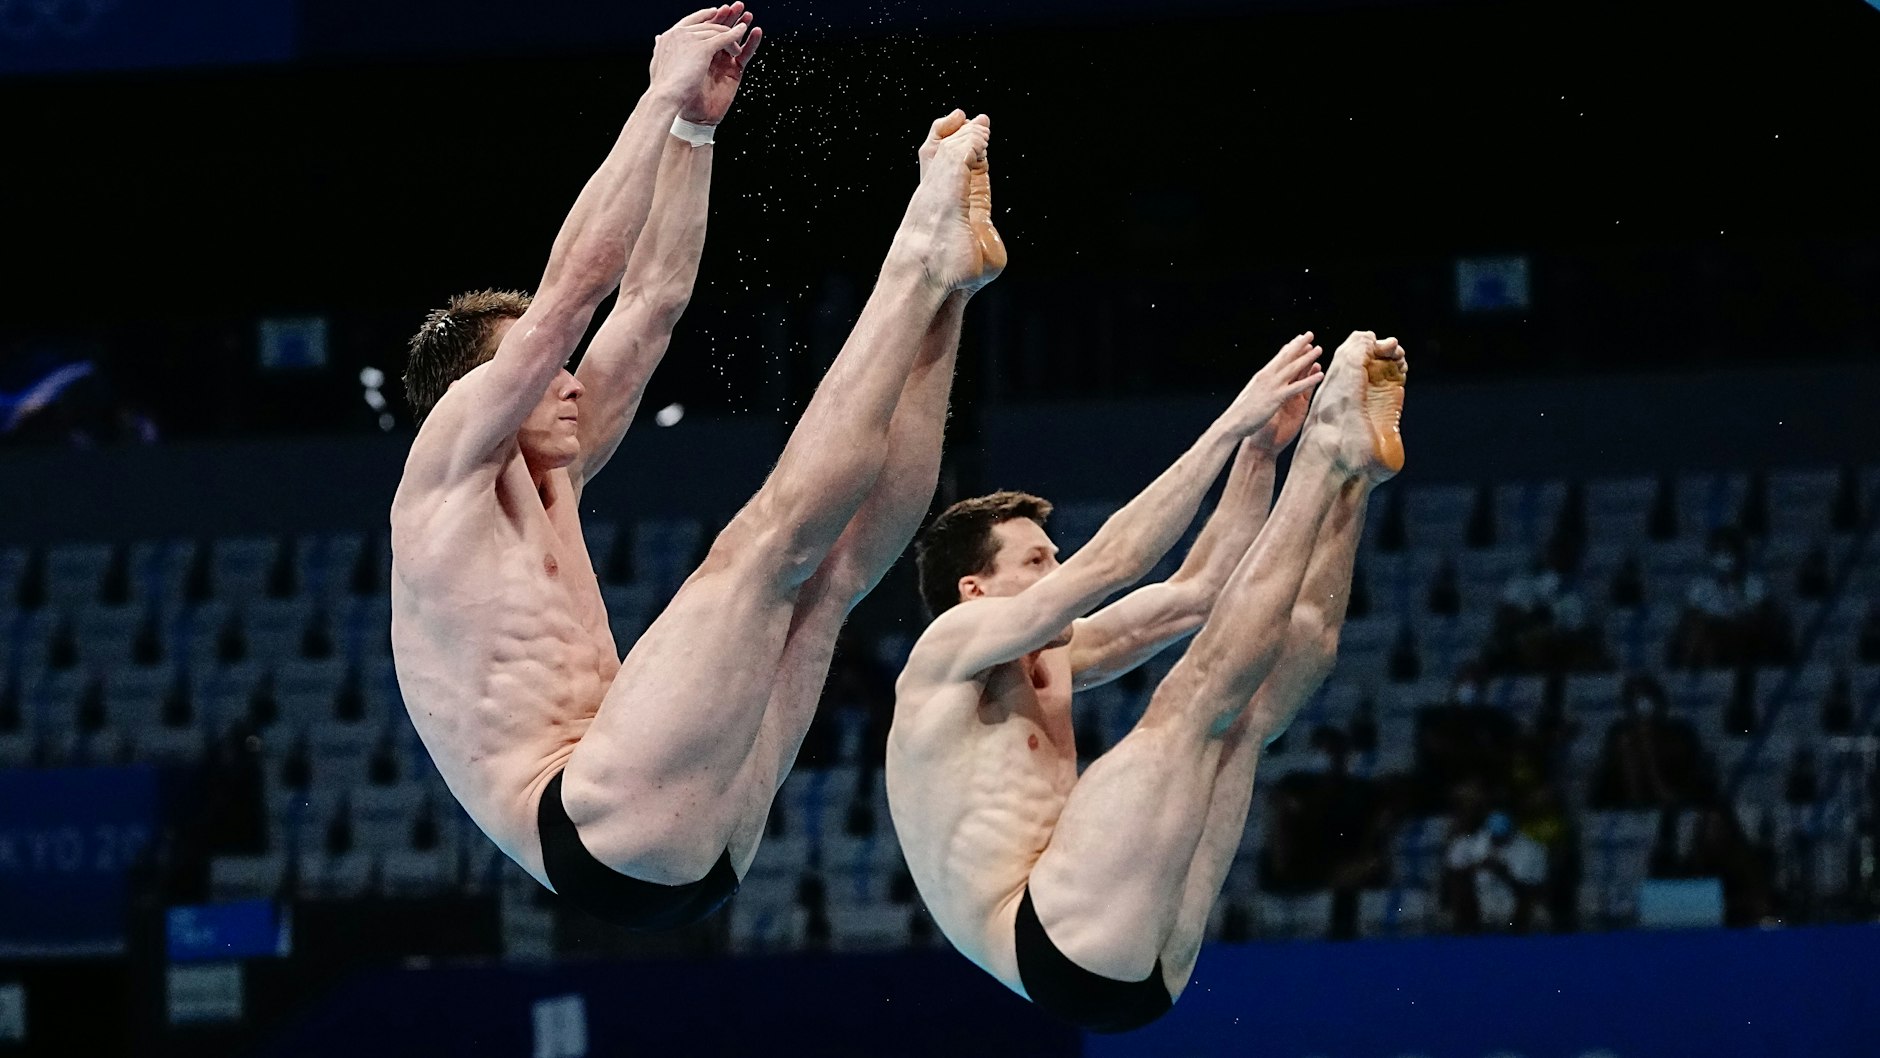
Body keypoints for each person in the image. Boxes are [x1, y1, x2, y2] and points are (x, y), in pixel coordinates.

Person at [391, 3, 1006, 929]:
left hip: (690, 827)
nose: (568, 379)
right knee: (759, 553)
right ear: (476, 392)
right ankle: (917, 258)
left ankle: (946, 296)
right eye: (540, 367)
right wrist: (653, 97)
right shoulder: (442, 475)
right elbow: (574, 295)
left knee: (827, 580)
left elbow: (651, 300)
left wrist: (692, 131)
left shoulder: (554, 469)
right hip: (590, 820)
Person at [887, 330, 1406, 1032]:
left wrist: (1258, 453)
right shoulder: (944, 650)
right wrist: (1230, 424)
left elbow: (1200, 589)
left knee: (1249, 718)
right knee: (1189, 707)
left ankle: (1350, 483)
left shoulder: (1051, 655)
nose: (1057, 571)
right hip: (1047, 940)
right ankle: (1328, 447)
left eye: (1055, 556)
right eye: (1037, 562)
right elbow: (1113, 562)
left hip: (1138, 963)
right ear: (974, 589)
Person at [1443, 808, 1546, 933]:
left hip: (1515, 907)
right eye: (1495, 838)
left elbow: (1535, 888)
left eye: (1502, 838)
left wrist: (1507, 875)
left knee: (1537, 914)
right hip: (1481, 904)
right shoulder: (1473, 843)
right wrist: (1478, 867)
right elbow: (1454, 875)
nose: (1498, 842)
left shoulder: (1531, 849)